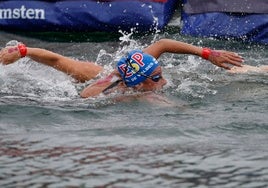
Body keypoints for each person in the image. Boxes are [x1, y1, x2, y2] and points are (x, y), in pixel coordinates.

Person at [0, 39, 266, 100]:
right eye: (157, 78)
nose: (164, 81)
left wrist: (24, 51)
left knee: (234, 72)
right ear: (137, 83)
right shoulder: (97, 86)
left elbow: (161, 44)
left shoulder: (137, 65)